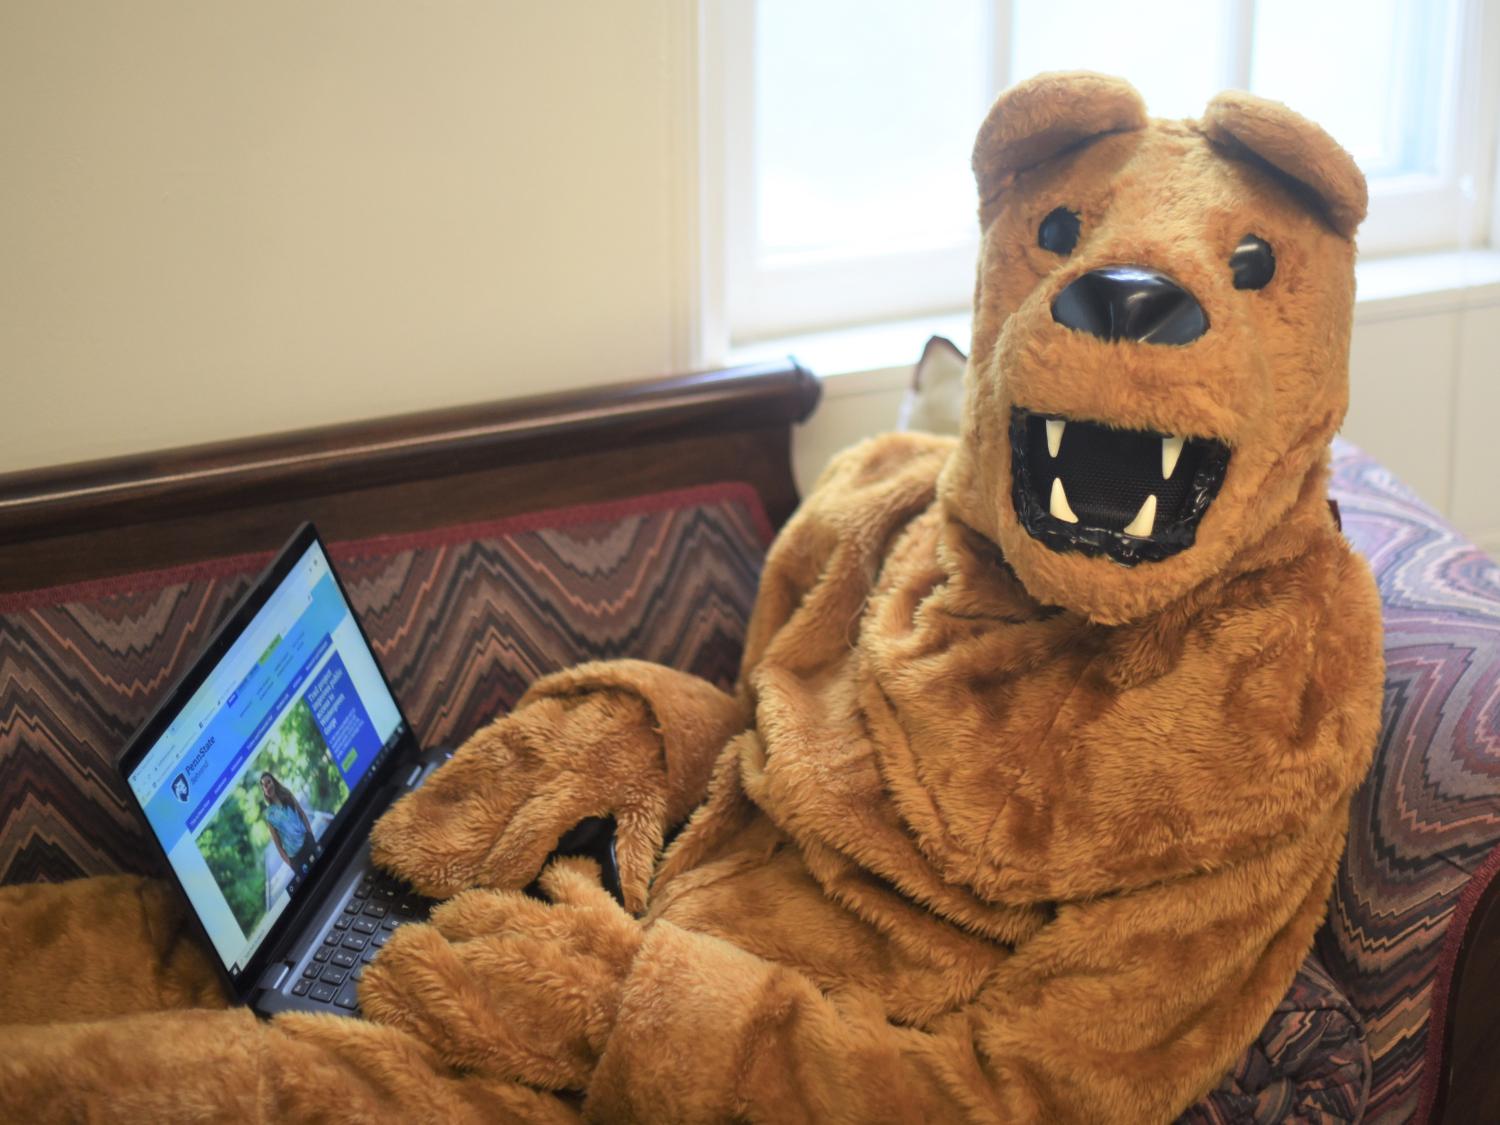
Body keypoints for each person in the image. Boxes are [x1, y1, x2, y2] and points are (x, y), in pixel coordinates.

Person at [259, 771, 315, 873]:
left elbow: (301, 814)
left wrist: (311, 835)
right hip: (295, 858)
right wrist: (291, 864)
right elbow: (278, 846)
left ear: (274, 782)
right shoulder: (269, 816)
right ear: (264, 791)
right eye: (264, 785)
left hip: (307, 843)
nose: (267, 786)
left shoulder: (287, 795)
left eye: (269, 782)